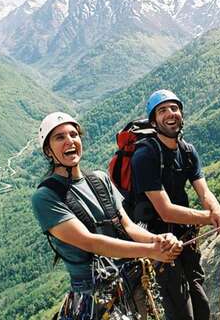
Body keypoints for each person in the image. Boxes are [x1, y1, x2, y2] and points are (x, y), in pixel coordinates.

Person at [31, 112, 183, 320]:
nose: (70, 141)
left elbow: (127, 227)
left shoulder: (100, 180)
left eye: (74, 134)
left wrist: (159, 240)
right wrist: (151, 251)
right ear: (48, 150)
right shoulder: (46, 197)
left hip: (131, 282)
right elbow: (90, 242)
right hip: (92, 294)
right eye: (60, 137)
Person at [130, 90, 220, 320]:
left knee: (201, 305)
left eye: (174, 108)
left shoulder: (187, 151)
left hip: (185, 238)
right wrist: (211, 218)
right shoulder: (145, 155)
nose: (170, 114)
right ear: (154, 121)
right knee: (182, 312)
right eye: (162, 110)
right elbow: (165, 211)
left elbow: (204, 192)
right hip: (159, 242)